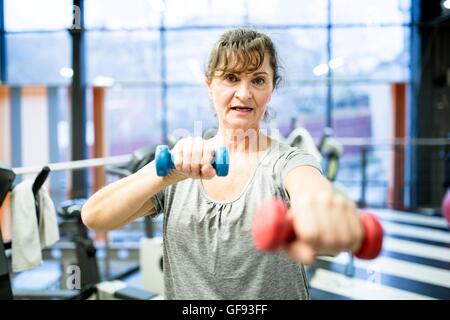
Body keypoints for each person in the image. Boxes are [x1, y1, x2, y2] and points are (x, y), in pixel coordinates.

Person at [81, 28, 364, 299]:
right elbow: (95, 216)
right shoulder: (182, 163)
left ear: (272, 88)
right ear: (210, 84)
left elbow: (309, 191)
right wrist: (166, 176)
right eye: (230, 77)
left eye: (258, 80)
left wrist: (319, 214)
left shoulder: (289, 163)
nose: (244, 93)